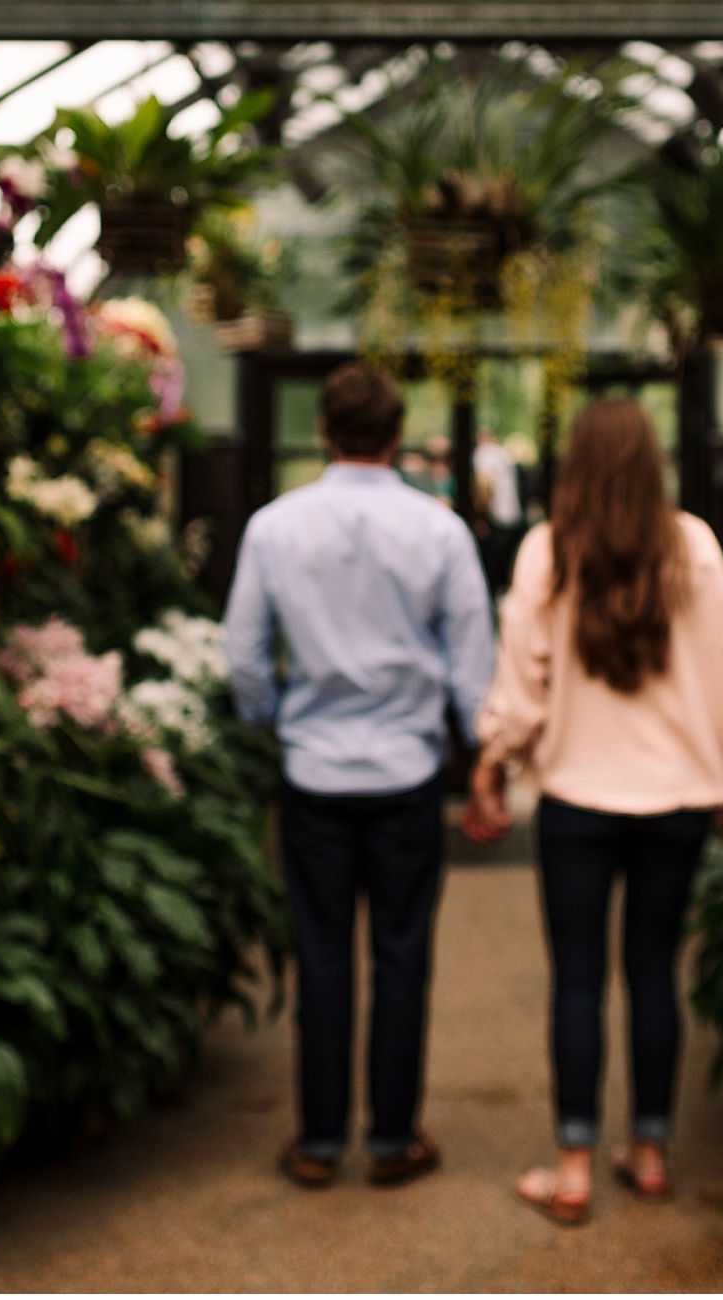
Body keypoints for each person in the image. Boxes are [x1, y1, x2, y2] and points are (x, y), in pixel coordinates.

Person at [464, 396, 723, 1224]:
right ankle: (653, 1151)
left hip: (576, 800)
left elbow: (522, 686)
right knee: (654, 972)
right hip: (680, 801)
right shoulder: (694, 545)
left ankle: (571, 1168)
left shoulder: (547, 551)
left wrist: (492, 760)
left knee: (579, 979)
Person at [224, 361, 496, 1190]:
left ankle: (316, 1142)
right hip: (407, 773)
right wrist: (476, 751)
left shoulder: (274, 526)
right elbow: (472, 661)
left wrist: (269, 718)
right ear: (397, 431)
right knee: (403, 956)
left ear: (324, 432)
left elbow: (242, 655)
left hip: (313, 773)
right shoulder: (440, 531)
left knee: (323, 956)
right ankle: (392, 1140)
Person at [471, 427, 525, 591]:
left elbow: (484, 486)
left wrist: (480, 516)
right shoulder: (503, 454)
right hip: (513, 519)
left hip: (496, 519)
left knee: (490, 576)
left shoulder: (484, 453)